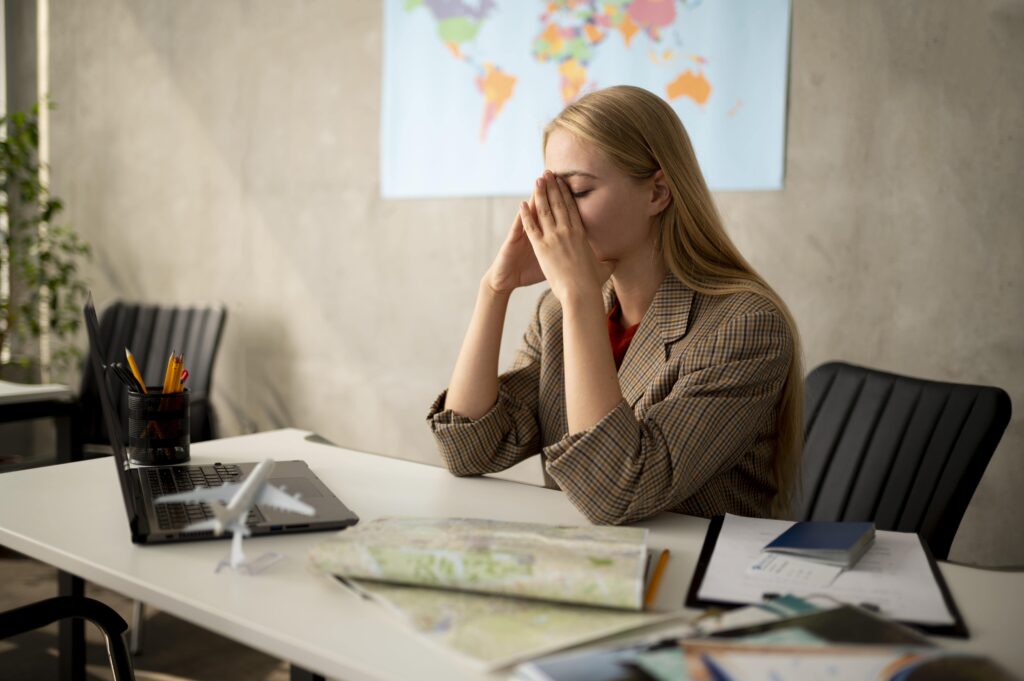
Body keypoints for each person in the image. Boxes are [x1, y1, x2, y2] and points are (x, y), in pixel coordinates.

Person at [427, 85, 802, 524]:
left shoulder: (746, 327)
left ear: (657, 193)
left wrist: (580, 297)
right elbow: (469, 450)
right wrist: (495, 289)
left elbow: (617, 494)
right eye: (553, 194)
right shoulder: (560, 311)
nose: (556, 215)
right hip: (596, 564)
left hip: (697, 573)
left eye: (579, 192)